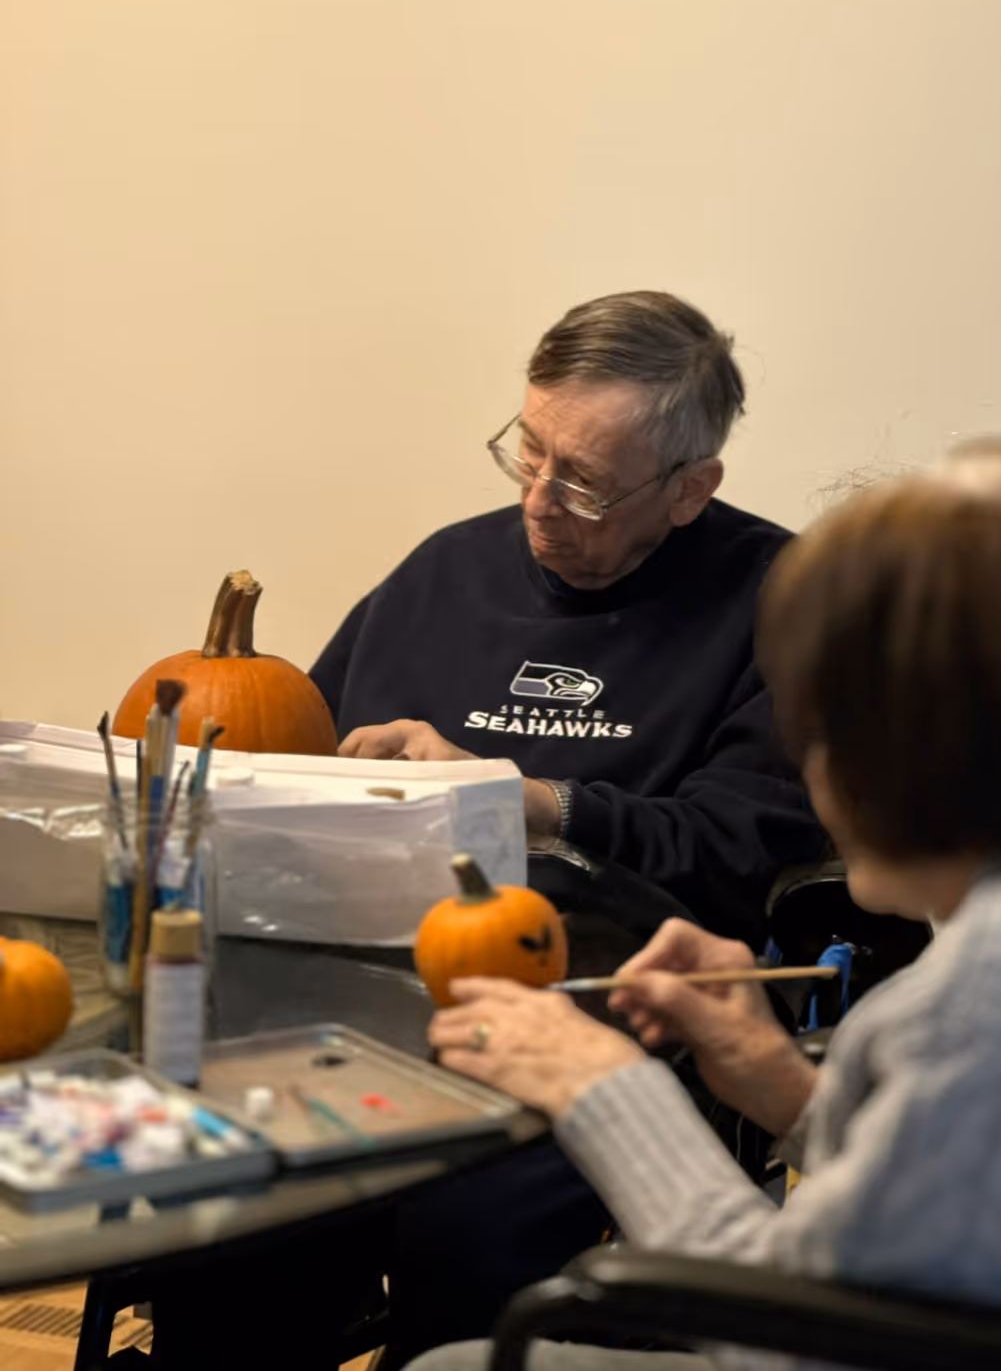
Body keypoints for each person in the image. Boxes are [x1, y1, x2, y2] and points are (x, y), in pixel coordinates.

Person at [381, 438, 1001, 1371]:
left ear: (923, 745)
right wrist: (779, 1081)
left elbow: (804, 1369)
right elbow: (983, 1199)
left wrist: (604, 1088)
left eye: (814, 734)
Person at [311, 290, 826, 946]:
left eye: (583, 483)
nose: (537, 502)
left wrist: (525, 805)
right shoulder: (445, 570)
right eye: (529, 452)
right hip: (374, 945)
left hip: (628, 975)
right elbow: (291, 756)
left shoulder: (790, 602)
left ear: (689, 489)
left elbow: (740, 852)